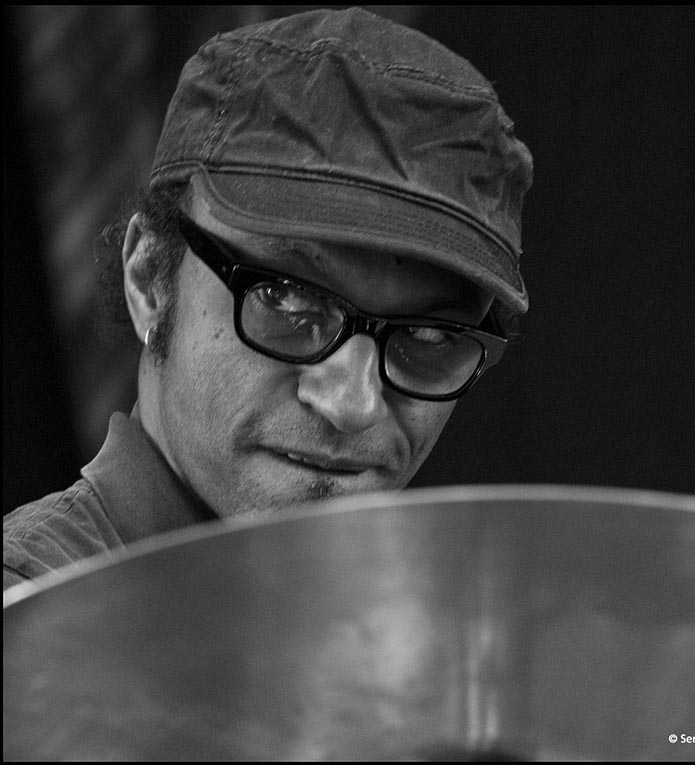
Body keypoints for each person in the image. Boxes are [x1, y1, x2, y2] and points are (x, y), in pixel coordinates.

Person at [3, 7, 533, 591]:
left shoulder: (453, 627)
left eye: (428, 338)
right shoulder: (29, 616)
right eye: (287, 302)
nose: (352, 404)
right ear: (150, 278)